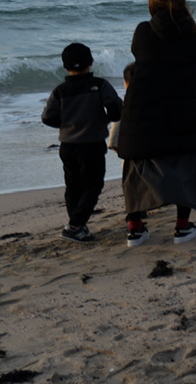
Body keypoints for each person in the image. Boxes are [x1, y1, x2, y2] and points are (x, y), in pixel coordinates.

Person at [118, 0, 196, 247]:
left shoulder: (143, 31)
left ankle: (135, 229)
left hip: (144, 105)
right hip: (185, 102)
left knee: (138, 164)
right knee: (188, 161)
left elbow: (138, 54)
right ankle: (182, 228)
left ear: (153, 4)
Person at [42, 42, 123, 242]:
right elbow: (116, 109)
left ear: (64, 66)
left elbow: (47, 118)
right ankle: (75, 225)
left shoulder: (60, 90)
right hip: (92, 144)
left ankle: (78, 226)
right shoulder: (100, 85)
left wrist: (67, 124)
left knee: (73, 187)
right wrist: (102, 119)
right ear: (91, 62)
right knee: (93, 185)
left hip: (68, 145)